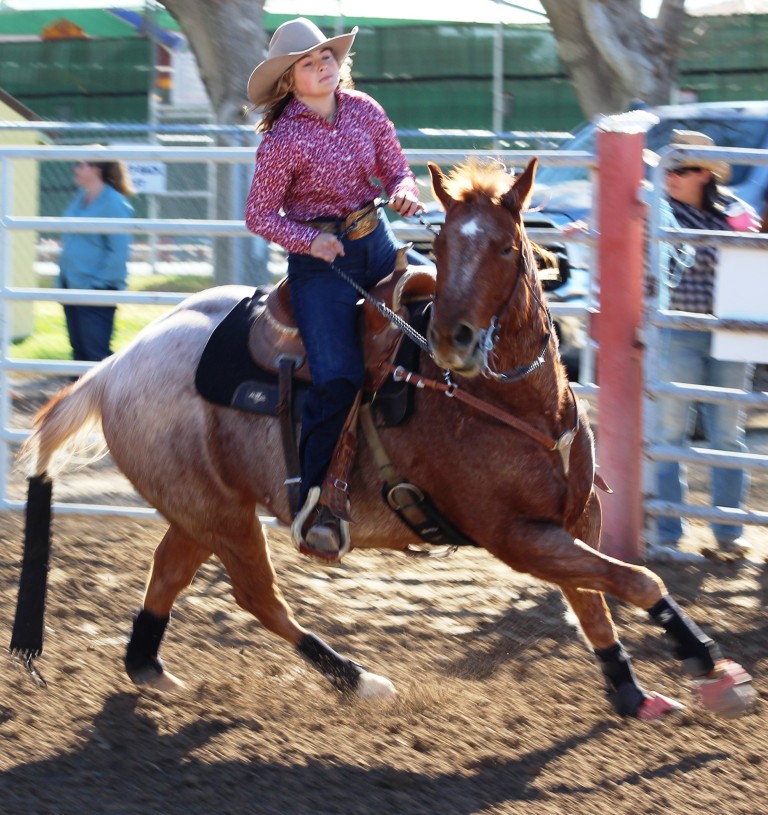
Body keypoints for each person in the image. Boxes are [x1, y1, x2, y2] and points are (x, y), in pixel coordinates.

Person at [244, 17, 423, 560]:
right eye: (308, 63)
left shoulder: (365, 109)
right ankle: (316, 499)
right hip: (321, 265)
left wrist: (405, 192)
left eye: (327, 57)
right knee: (339, 374)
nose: (323, 67)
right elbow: (258, 214)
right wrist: (307, 241)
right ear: (289, 80)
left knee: (434, 338)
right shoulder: (282, 138)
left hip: (378, 243)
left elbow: (397, 170)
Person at [653, 130, 759, 556]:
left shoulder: (736, 210)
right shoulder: (660, 212)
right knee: (669, 434)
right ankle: (667, 535)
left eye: (681, 169)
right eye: (669, 168)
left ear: (704, 174)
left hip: (732, 331)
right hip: (679, 328)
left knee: (727, 436)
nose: (671, 176)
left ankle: (729, 532)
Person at [58, 155, 135, 362]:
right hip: (72, 285)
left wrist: (97, 284)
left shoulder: (114, 203)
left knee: (96, 353)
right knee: (79, 352)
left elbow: (118, 251)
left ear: (96, 169)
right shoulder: (81, 197)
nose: (75, 169)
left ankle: (110, 395)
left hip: (96, 289)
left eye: (81, 164)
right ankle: (81, 394)